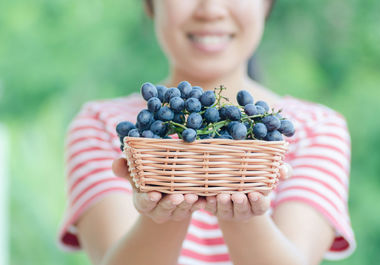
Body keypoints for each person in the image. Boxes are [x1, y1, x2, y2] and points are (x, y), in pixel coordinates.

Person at [58, 0, 356, 264]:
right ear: (150, 5)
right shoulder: (105, 127)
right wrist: (162, 213)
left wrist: (242, 214)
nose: (210, 9)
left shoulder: (314, 130)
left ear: (267, 4)